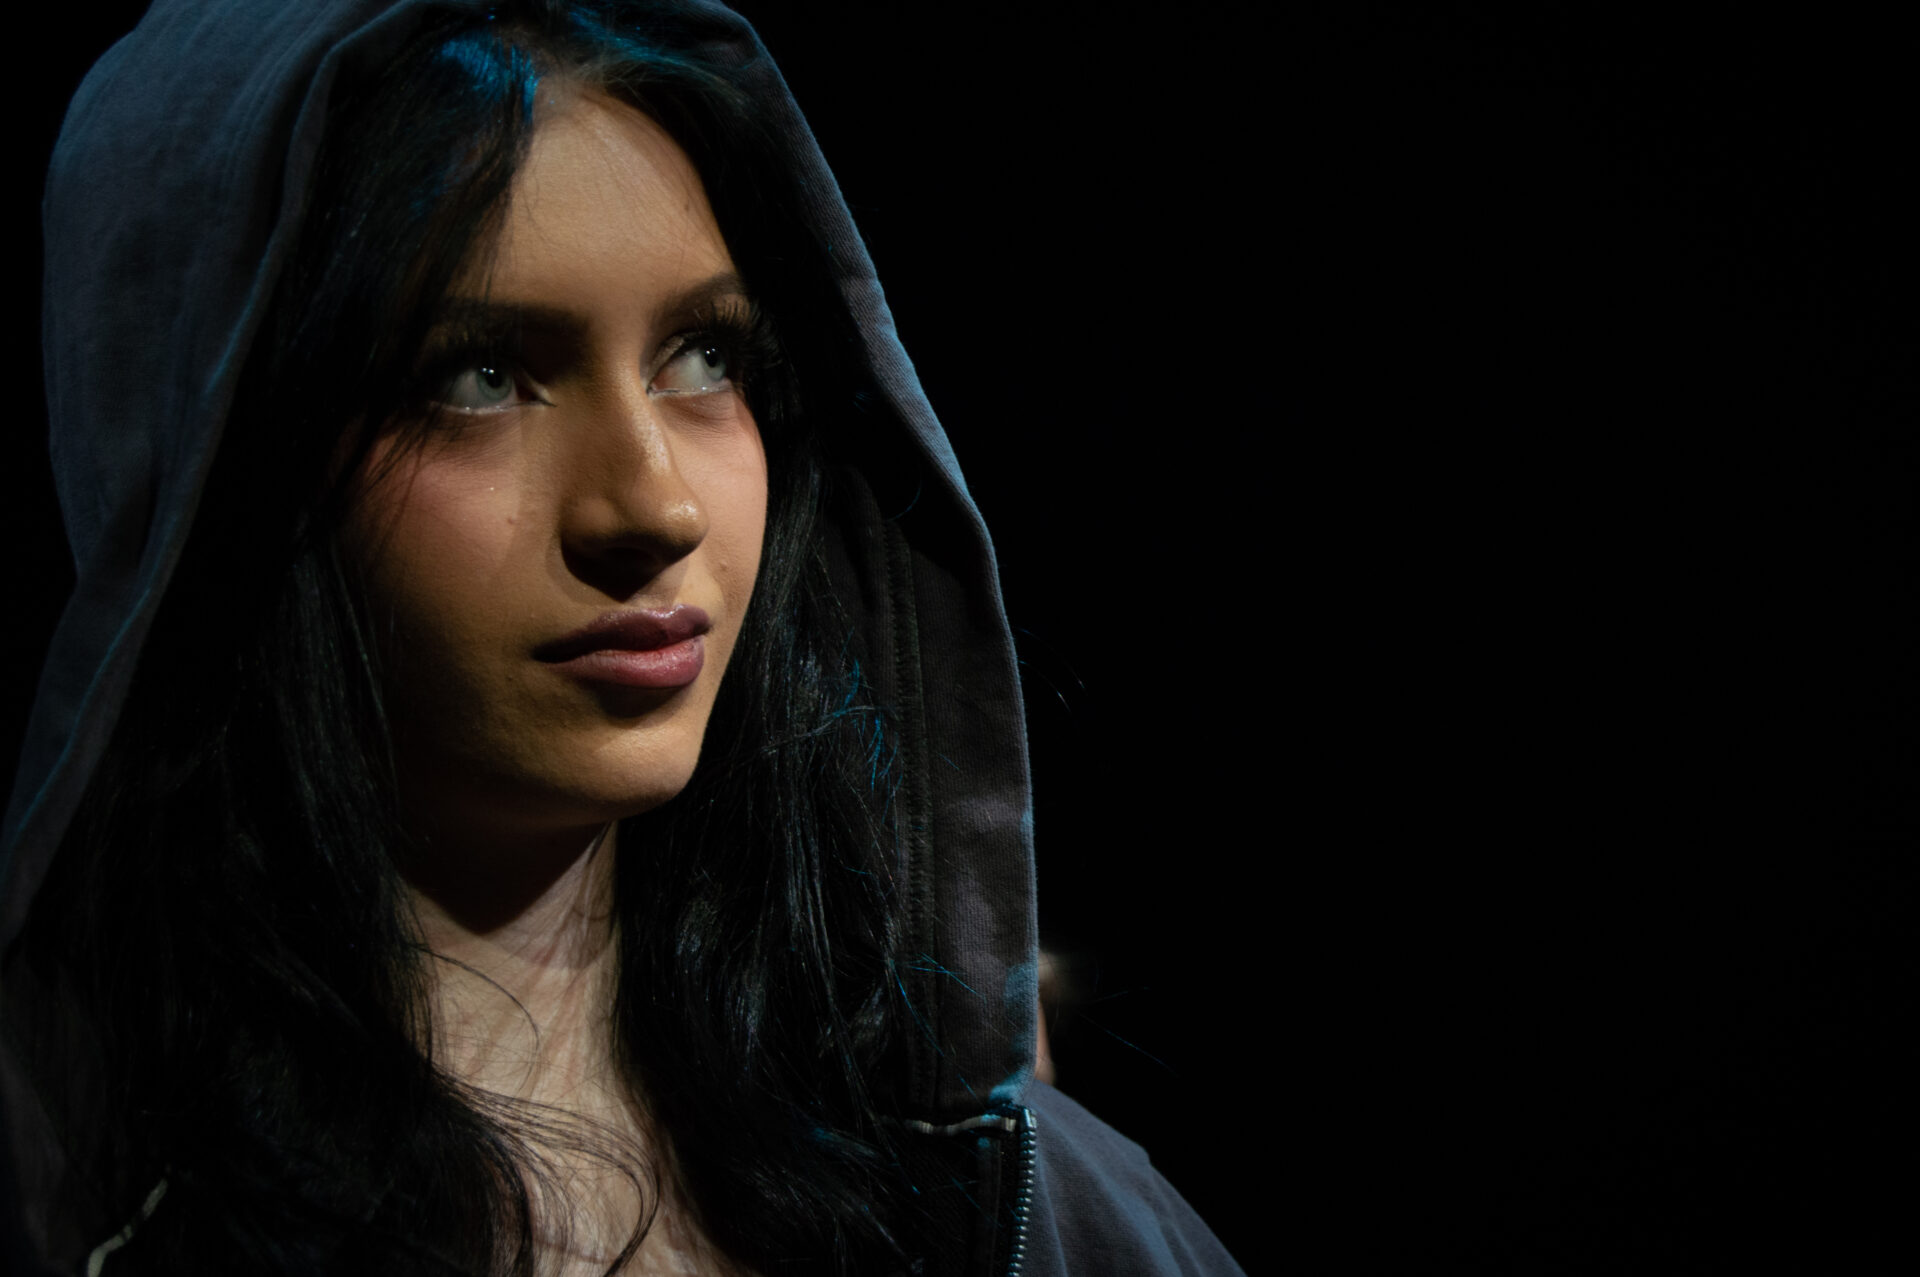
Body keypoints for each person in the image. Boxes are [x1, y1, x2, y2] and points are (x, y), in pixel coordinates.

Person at [0, 2, 1245, 1273]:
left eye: (705, 356)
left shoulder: (1031, 1210)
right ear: (216, 473)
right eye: (479, 375)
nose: (655, 505)